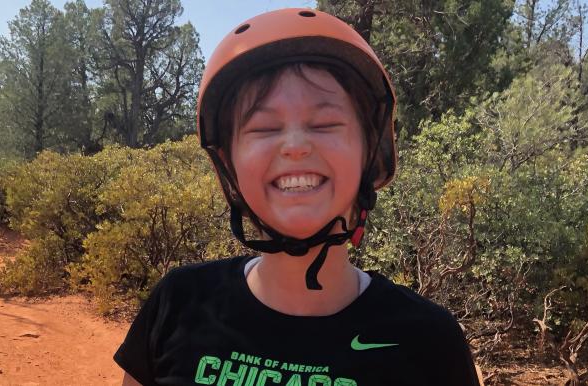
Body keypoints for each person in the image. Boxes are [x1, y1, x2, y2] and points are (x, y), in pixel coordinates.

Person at [114, 8, 482, 386]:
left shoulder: (429, 341)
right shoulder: (179, 304)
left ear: (368, 151)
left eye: (324, 123)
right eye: (264, 127)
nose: (294, 146)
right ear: (229, 161)